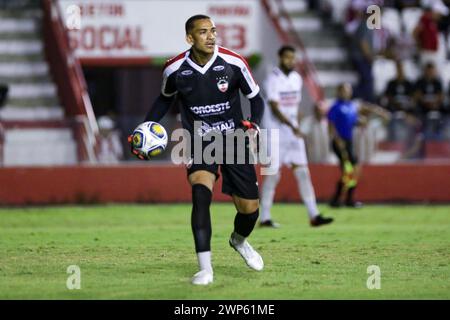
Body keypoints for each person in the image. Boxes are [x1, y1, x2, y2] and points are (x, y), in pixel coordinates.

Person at [128, 15, 265, 285]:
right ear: (190, 38)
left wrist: (254, 123)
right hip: (199, 141)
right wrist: (145, 128)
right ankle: (205, 269)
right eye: (204, 32)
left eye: (213, 31)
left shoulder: (234, 62)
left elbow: (256, 98)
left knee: (250, 210)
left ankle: (239, 241)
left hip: (234, 140)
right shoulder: (174, 69)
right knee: (200, 194)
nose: (211, 36)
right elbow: (164, 99)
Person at [259, 45, 333, 228]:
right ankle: (264, 217)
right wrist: (293, 126)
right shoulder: (272, 79)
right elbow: (275, 108)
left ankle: (314, 215)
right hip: (274, 132)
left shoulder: (296, 79)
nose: (291, 61)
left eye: (293, 58)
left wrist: (297, 124)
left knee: (302, 172)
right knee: (273, 174)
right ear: (280, 58)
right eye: (287, 57)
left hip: (292, 131)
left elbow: (292, 107)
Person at [328, 83, 390, 208]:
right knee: (349, 170)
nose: (347, 92)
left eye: (348, 90)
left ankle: (344, 199)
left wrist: (377, 114)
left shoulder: (351, 106)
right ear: (339, 92)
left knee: (354, 170)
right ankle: (340, 200)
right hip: (340, 142)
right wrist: (336, 139)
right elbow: (331, 125)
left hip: (349, 142)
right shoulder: (336, 107)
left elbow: (356, 117)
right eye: (344, 90)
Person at [414, 62, 446, 140]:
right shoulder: (420, 81)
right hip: (423, 106)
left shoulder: (437, 82)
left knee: (445, 110)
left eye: (431, 71)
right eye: (428, 71)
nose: (430, 73)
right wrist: (426, 102)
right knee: (418, 111)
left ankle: (441, 133)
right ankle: (420, 134)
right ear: (425, 71)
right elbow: (417, 95)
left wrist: (435, 103)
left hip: (435, 106)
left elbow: (441, 96)